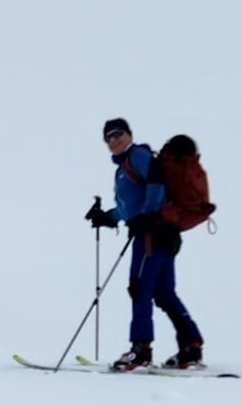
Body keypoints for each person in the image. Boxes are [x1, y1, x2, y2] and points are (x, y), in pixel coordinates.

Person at [84, 117, 205, 371]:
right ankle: (191, 347)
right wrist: (106, 217)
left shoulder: (137, 155)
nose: (113, 140)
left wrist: (149, 215)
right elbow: (129, 207)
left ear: (129, 135)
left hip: (153, 234)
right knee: (163, 292)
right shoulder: (125, 167)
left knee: (140, 287)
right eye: (108, 137)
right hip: (162, 232)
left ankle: (141, 350)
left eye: (118, 134)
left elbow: (156, 180)